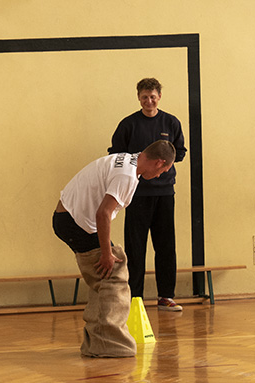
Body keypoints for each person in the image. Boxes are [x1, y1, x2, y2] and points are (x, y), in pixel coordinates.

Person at [53, 140, 176, 358]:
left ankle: (96, 343)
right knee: (114, 273)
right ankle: (110, 344)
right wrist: (106, 253)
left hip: (69, 218)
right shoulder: (126, 175)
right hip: (74, 222)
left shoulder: (127, 160)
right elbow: (103, 213)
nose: (160, 175)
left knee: (103, 275)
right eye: (164, 171)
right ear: (159, 162)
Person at [109, 78, 187, 311]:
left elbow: (180, 152)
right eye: (145, 97)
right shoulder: (128, 124)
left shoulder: (171, 122)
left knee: (166, 245)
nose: (149, 101)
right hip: (136, 193)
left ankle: (166, 296)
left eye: (153, 96)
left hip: (165, 193)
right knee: (135, 247)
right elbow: (116, 155)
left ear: (159, 97)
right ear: (139, 98)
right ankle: (135, 298)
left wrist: (162, 165)